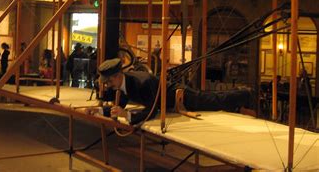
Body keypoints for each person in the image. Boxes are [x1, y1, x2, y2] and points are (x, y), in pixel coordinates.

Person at [98, 58, 255, 125]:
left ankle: (245, 93)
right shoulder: (125, 84)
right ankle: (239, 105)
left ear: (118, 76)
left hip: (180, 97)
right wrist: (97, 110)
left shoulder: (141, 83)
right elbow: (118, 107)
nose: (109, 85)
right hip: (172, 100)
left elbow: (152, 111)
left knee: (213, 101)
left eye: (109, 81)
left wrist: (126, 115)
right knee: (212, 99)